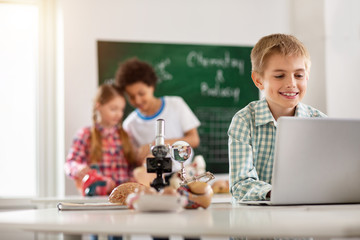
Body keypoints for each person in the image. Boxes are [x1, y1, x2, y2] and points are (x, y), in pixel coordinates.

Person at [228, 33, 327, 202]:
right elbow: (241, 183)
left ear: (307, 75)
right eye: (280, 76)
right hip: (258, 221)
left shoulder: (321, 123)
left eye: (299, 75)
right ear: (258, 80)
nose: (291, 83)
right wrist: (280, 194)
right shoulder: (244, 121)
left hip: (310, 213)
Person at [114, 57, 201, 174]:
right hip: (152, 181)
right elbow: (134, 158)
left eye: (141, 93)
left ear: (152, 86)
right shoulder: (129, 124)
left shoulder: (175, 104)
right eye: (131, 96)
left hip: (184, 175)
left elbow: (194, 140)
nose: (137, 100)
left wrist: (156, 145)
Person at [65, 83, 141, 196]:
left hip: (122, 199)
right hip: (96, 199)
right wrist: (80, 169)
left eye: (121, 110)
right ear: (98, 106)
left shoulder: (126, 136)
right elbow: (70, 163)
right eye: (113, 109)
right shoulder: (85, 134)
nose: (119, 114)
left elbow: (132, 168)